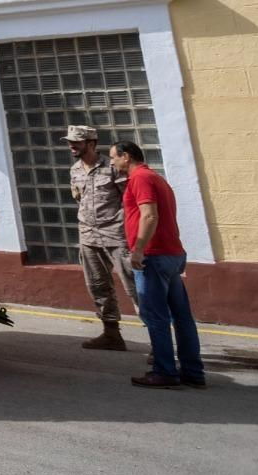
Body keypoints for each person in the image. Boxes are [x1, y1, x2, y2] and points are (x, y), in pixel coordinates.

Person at [109, 141, 205, 389]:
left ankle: (164, 371)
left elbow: (149, 215)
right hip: (171, 254)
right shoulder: (156, 177)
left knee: (156, 316)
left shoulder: (140, 178)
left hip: (154, 256)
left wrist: (139, 249)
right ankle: (192, 371)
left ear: (126, 157)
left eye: (113, 158)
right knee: (182, 316)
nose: (111, 162)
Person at [63, 124, 135, 350]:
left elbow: (129, 200)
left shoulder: (113, 168)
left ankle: (159, 342)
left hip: (116, 235)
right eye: (70, 142)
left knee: (134, 286)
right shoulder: (75, 170)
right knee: (97, 285)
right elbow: (79, 199)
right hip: (88, 236)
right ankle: (111, 333)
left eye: (77, 142)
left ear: (91, 143)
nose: (72, 146)